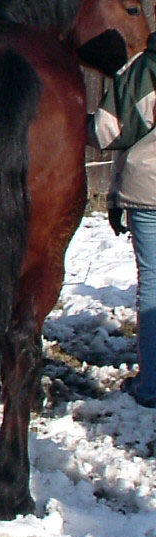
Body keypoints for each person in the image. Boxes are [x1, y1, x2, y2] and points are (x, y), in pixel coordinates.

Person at [89, 30, 156, 409]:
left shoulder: (140, 70)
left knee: (153, 286)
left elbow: (107, 131)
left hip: (148, 190)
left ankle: (151, 387)